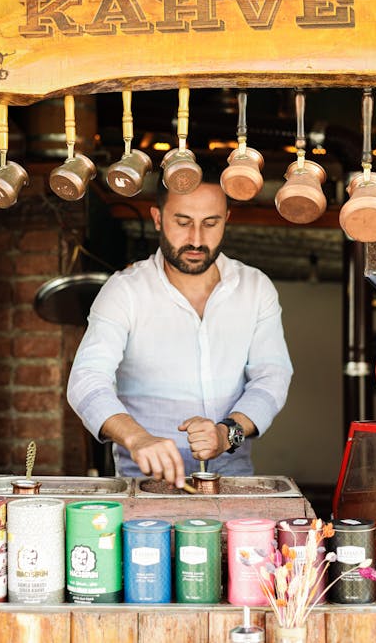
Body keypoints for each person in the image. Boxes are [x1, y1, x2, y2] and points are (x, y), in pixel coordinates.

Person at [67, 161, 293, 488]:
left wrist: (226, 432)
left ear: (226, 220)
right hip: (144, 486)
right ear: (158, 218)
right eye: (183, 222)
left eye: (211, 223)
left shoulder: (255, 288)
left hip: (231, 483)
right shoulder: (124, 291)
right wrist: (137, 438)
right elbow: (86, 380)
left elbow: (272, 376)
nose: (196, 239)